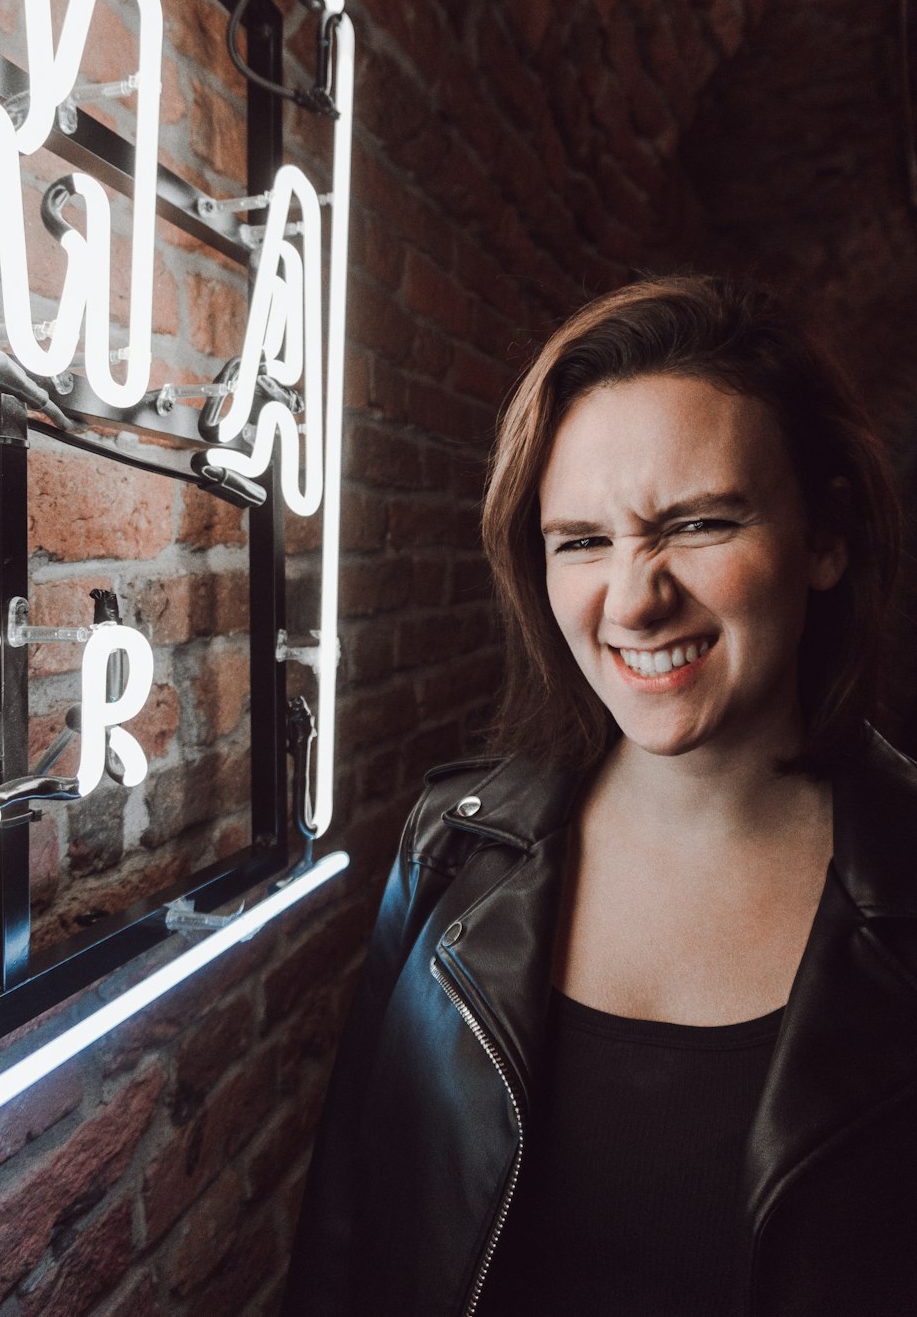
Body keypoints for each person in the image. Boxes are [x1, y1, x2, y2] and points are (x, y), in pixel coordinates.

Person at [282, 275, 917, 1317]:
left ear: (824, 539)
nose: (632, 598)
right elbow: (350, 1246)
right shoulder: (451, 853)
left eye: (699, 523)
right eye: (580, 540)